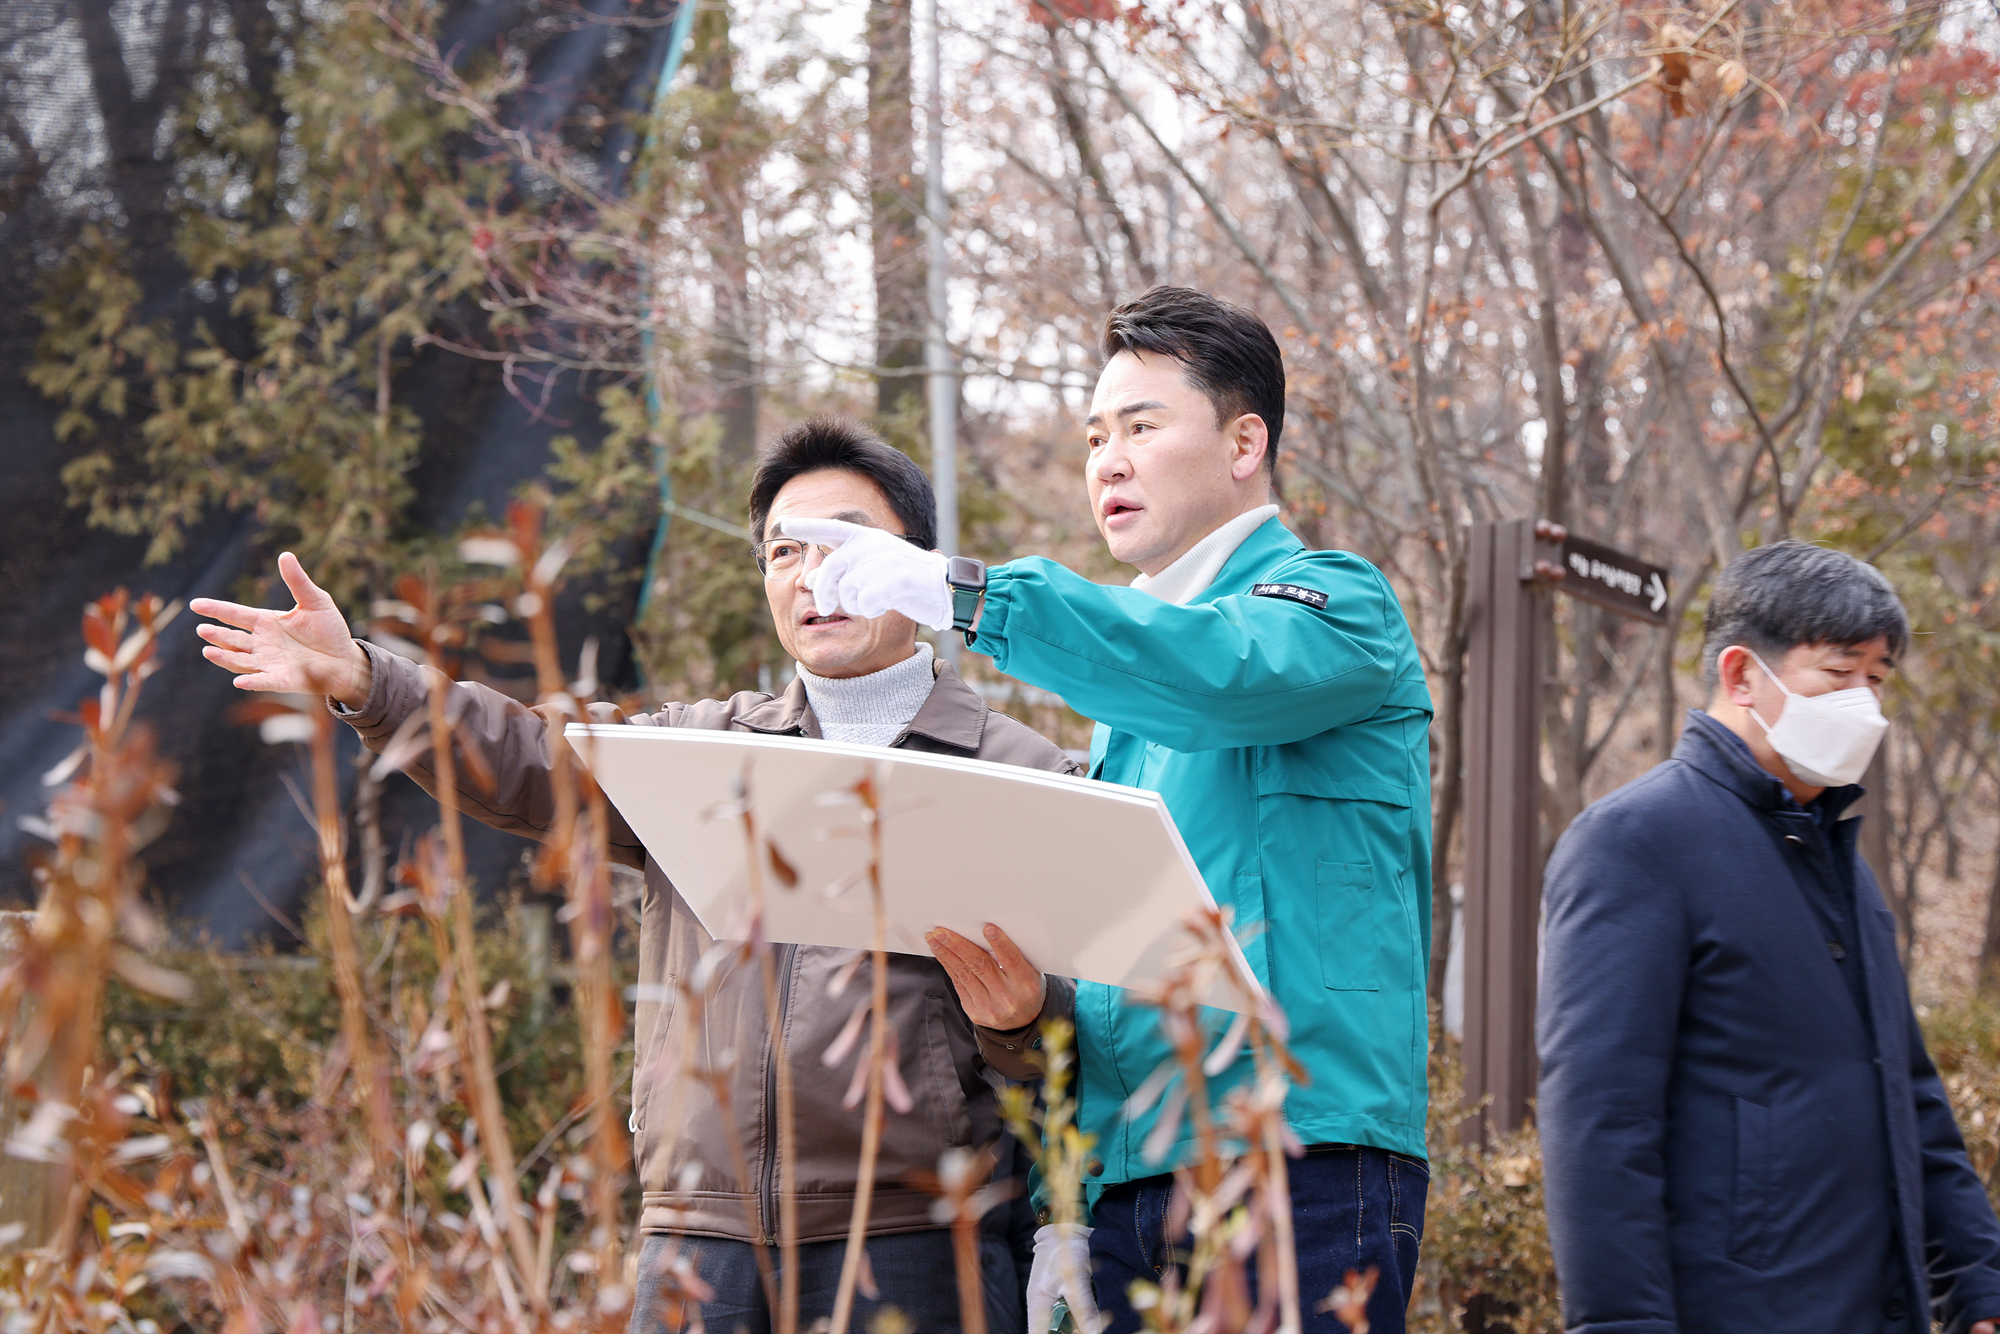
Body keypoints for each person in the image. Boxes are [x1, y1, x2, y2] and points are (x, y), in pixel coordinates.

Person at [189, 419, 1081, 1334]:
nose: (814, 575)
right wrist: (368, 681)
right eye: (784, 550)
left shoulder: (1017, 771)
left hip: (918, 1245)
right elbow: (532, 757)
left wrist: (1023, 1020)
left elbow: (1091, 1035)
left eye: (848, 542)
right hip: (698, 1242)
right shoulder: (706, 751)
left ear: (916, 562)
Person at [786, 286, 1435, 1334]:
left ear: (1242, 443)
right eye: (1093, 436)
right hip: (1131, 1189)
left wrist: (965, 593)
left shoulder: (1339, 609)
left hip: (1296, 1162)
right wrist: (1065, 1211)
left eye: (1140, 425)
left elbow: (1214, 674)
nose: (1107, 460)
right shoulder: (1120, 714)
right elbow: (1104, 984)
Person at [1536, 539, 2000, 1334]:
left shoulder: (1838, 861)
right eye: (1839, 672)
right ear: (1743, 674)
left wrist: (1979, 1283)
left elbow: (1910, 1094)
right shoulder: (1636, 842)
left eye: (1877, 680)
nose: (1864, 703)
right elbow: (1601, 1122)